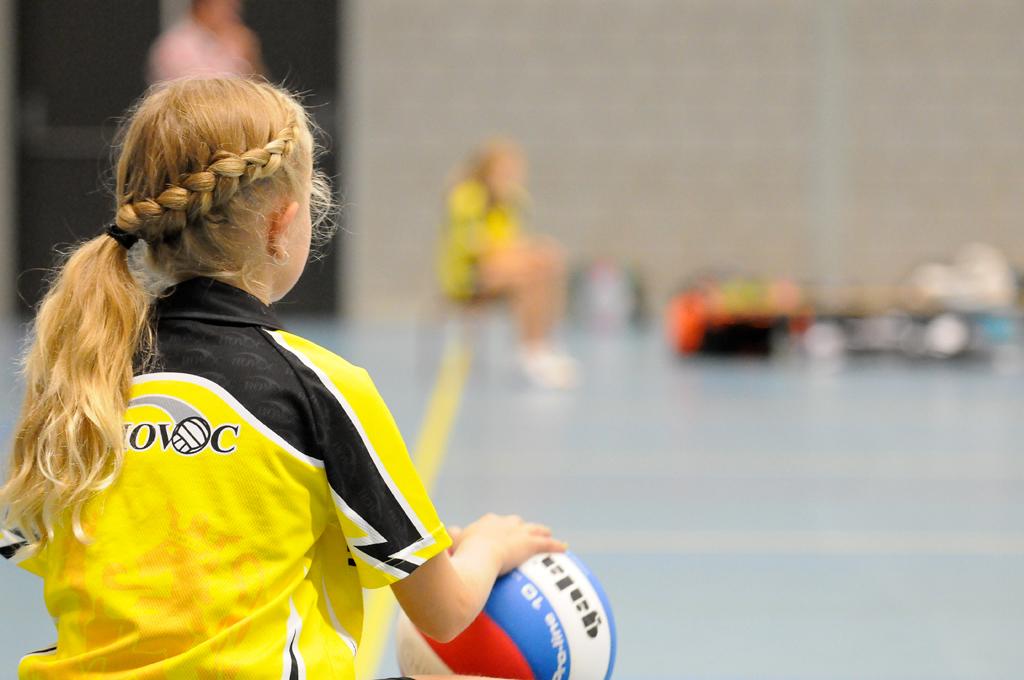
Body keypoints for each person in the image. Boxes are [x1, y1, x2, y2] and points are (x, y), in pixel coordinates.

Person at [0, 78, 563, 679]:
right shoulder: (319, 386)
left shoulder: (80, 381)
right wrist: (490, 547)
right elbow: (444, 612)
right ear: (281, 226)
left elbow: (136, 572)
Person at [438, 140, 578, 389]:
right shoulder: (467, 197)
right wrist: (522, 252)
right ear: (488, 169)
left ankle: (539, 345)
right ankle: (529, 352)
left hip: (502, 270)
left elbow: (513, 239)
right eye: (504, 169)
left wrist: (532, 251)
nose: (511, 175)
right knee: (528, 274)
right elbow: (476, 246)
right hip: (469, 277)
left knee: (545, 266)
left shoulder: (512, 200)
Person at [148, 0, 265, 83]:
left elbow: (257, 89)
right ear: (203, 6)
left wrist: (251, 57)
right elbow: (199, 94)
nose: (234, 16)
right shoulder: (175, 45)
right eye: (228, 7)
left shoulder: (235, 40)